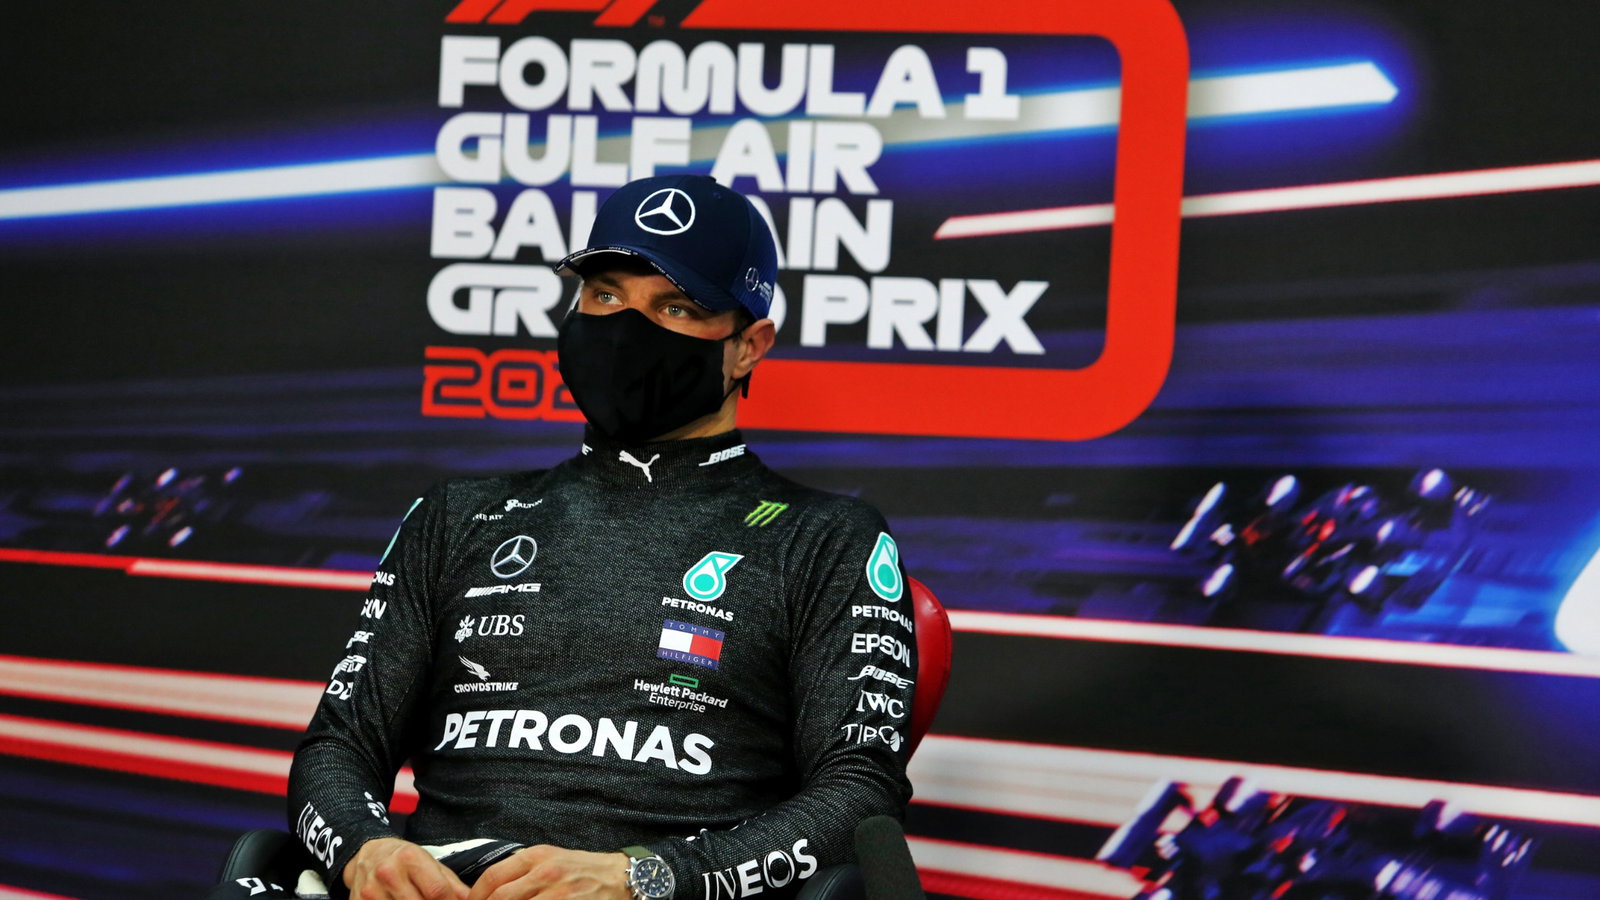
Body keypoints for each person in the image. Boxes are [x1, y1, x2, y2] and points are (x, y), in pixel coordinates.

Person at [282, 174, 918, 900]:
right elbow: (337, 749)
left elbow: (860, 795)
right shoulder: (455, 517)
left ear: (748, 346)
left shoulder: (825, 539)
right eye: (606, 296)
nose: (625, 328)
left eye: (675, 307)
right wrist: (368, 849)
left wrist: (645, 878)